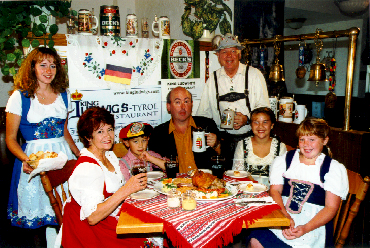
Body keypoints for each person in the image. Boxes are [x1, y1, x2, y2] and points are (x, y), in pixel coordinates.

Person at [5, 47, 80, 247]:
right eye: (43, 65)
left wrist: (79, 154)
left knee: (63, 212)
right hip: (33, 159)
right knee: (38, 215)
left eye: (53, 65)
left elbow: (64, 130)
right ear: (32, 68)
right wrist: (26, 159)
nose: (49, 70)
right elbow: (11, 139)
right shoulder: (19, 97)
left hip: (61, 157)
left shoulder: (64, 95)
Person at [60, 107, 160, 247]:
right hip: (89, 230)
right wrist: (126, 190)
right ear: (88, 137)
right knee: (148, 242)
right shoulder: (87, 168)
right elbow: (92, 217)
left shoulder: (109, 155)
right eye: (100, 131)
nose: (107, 136)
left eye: (110, 129)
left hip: (108, 215)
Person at [248, 117, 349, 248]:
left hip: (313, 225)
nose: (306, 144)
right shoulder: (286, 160)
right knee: (255, 241)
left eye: (312, 139)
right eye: (302, 139)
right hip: (282, 214)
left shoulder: (333, 168)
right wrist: (284, 218)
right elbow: (275, 190)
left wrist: (305, 228)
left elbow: (331, 208)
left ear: (325, 140)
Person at [196, 33, 270, 169]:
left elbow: (265, 111)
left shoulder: (254, 75)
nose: (229, 56)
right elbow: (203, 115)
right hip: (223, 143)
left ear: (239, 54)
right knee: (223, 180)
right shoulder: (213, 79)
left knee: (247, 180)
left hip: (251, 140)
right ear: (218, 56)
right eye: (224, 52)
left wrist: (247, 119)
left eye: (233, 51)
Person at [148, 86, 220, 174]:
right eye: (177, 102)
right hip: (174, 184)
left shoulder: (207, 124)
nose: (183, 107)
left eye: (186, 101)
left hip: (204, 182)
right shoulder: (159, 133)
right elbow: (156, 169)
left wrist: (216, 145)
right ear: (169, 107)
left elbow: (224, 159)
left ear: (192, 104)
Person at [233, 107, 287, 183]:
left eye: (265, 122)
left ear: (272, 125)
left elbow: (281, 178)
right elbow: (237, 175)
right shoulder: (242, 145)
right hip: (247, 190)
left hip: (271, 192)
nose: (260, 126)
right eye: (256, 122)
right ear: (251, 126)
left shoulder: (280, 147)